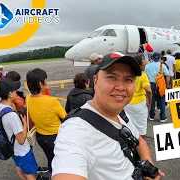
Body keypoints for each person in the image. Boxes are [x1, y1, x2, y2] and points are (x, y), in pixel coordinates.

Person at [51, 52, 165, 180]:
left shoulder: (120, 112)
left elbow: (139, 141)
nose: (121, 87)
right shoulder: (76, 129)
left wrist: (148, 168)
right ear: (95, 80)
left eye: (128, 80)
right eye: (112, 77)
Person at [26, 68, 67, 173]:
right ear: (40, 84)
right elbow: (65, 117)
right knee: (60, 162)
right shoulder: (52, 101)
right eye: (45, 80)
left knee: (51, 159)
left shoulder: (28, 99)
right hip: (55, 138)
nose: (47, 82)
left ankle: (52, 173)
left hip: (41, 137)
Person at [0, 78, 38, 180]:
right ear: (10, 94)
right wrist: (24, 124)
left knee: (20, 170)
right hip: (22, 151)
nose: (17, 93)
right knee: (31, 175)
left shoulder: (1, 107)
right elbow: (21, 140)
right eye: (15, 91)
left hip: (14, 150)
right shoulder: (12, 116)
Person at [124, 54, 152, 139]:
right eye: (143, 65)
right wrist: (149, 102)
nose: (145, 66)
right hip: (139, 104)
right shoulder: (142, 75)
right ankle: (140, 146)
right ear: (139, 65)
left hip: (127, 104)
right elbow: (148, 90)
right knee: (141, 129)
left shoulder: (128, 74)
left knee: (128, 126)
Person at [145, 52, 170, 123]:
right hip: (160, 85)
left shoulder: (148, 66)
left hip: (151, 84)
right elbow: (167, 76)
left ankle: (151, 116)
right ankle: (162, 117)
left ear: (152, 58)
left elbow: (145, 76)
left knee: (151, 100)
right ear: (159, 58)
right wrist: (167, 84)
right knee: (162, 100)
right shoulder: (162, 66)